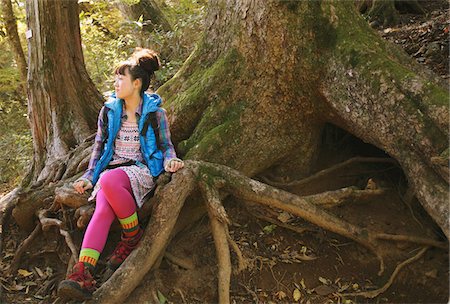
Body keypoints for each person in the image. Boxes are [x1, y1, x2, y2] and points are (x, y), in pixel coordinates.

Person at [57, 48, 184, 300]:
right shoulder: (109, 111)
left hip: (140, 170)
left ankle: (132, 235)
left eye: (120, 79)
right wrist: (88, 177)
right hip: (111, 173)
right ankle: (83, 272)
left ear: (136, 83)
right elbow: (99, 148)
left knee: (109, 181)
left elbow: (165, 145)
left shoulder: (155, 113)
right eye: (115, 79)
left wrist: (171, 161)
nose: (115, 83)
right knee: (103, 208)